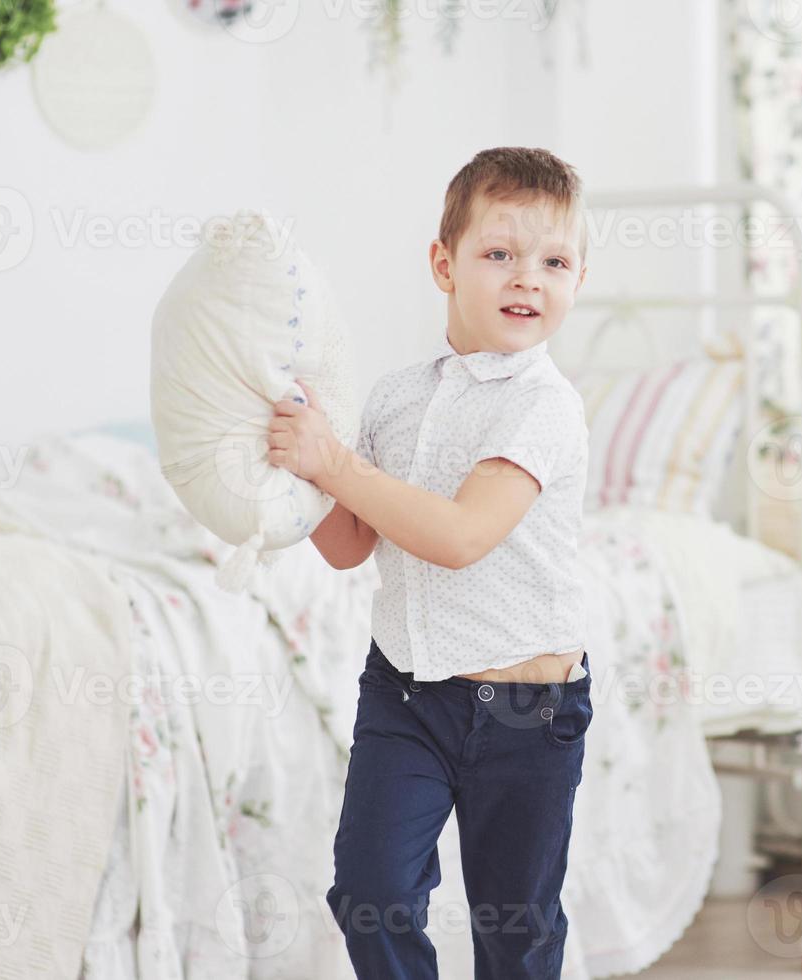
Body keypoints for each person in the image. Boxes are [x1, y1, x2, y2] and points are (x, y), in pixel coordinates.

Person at [266, 146, 594, 978]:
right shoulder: (396, 397)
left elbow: (458, 538)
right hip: (407, 693)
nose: (528, 279)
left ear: (578, 278)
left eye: (553, 261)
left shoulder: (543, 405)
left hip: (528, 711)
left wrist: (335, 464)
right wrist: (294, 466)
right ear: (443, 265)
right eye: (499, 255)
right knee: (368, 889)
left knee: (514, 930)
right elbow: (346, 546)